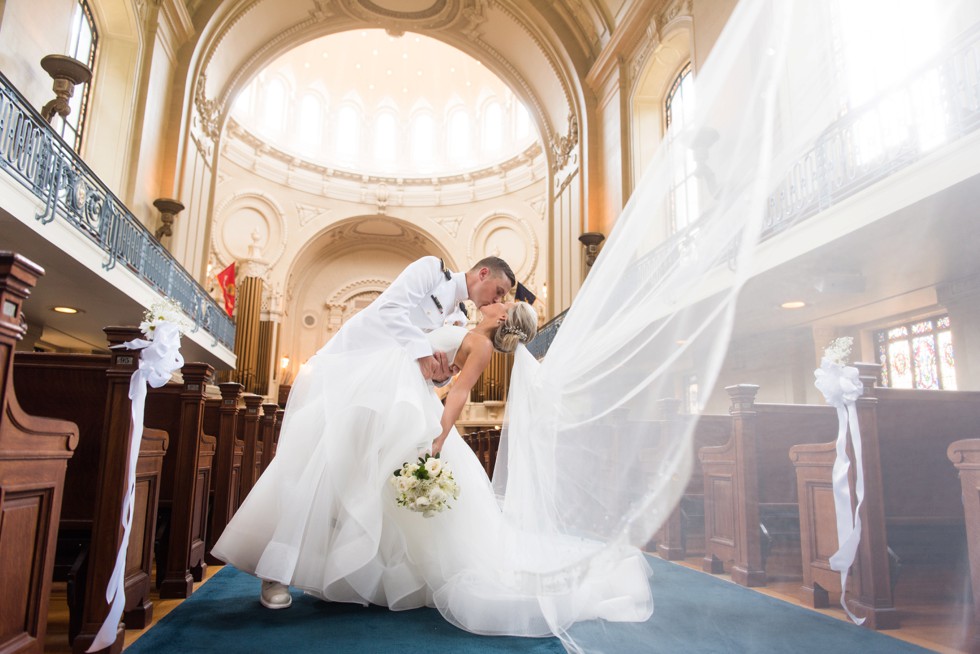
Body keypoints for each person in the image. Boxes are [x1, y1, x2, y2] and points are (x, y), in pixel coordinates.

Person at [210, 255, 515, 609]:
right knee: (318, 464)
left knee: (366, 481)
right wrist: (422, 355)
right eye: (499, 291)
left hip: (399, 390)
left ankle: (348, 572)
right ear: (482, 273)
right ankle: (273, 572)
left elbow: (440, 373)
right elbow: (391, 309)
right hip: (354, 369)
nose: (498, 301)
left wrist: (441, 373)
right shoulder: (433, 270)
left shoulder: (459, 316)